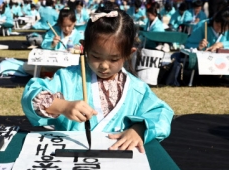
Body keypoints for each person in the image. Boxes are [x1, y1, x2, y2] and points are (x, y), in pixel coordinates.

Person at [22, 9, 173, 152]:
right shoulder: (68, 78)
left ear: (129, 53)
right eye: (95, 57)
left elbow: (161, 113)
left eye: (114, 59)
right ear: (84, 48)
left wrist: (138, 129)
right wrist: (62, 105)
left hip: (118, 162)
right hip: (72, 156)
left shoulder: (137, 89)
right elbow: (31, 94)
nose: (104, 66)